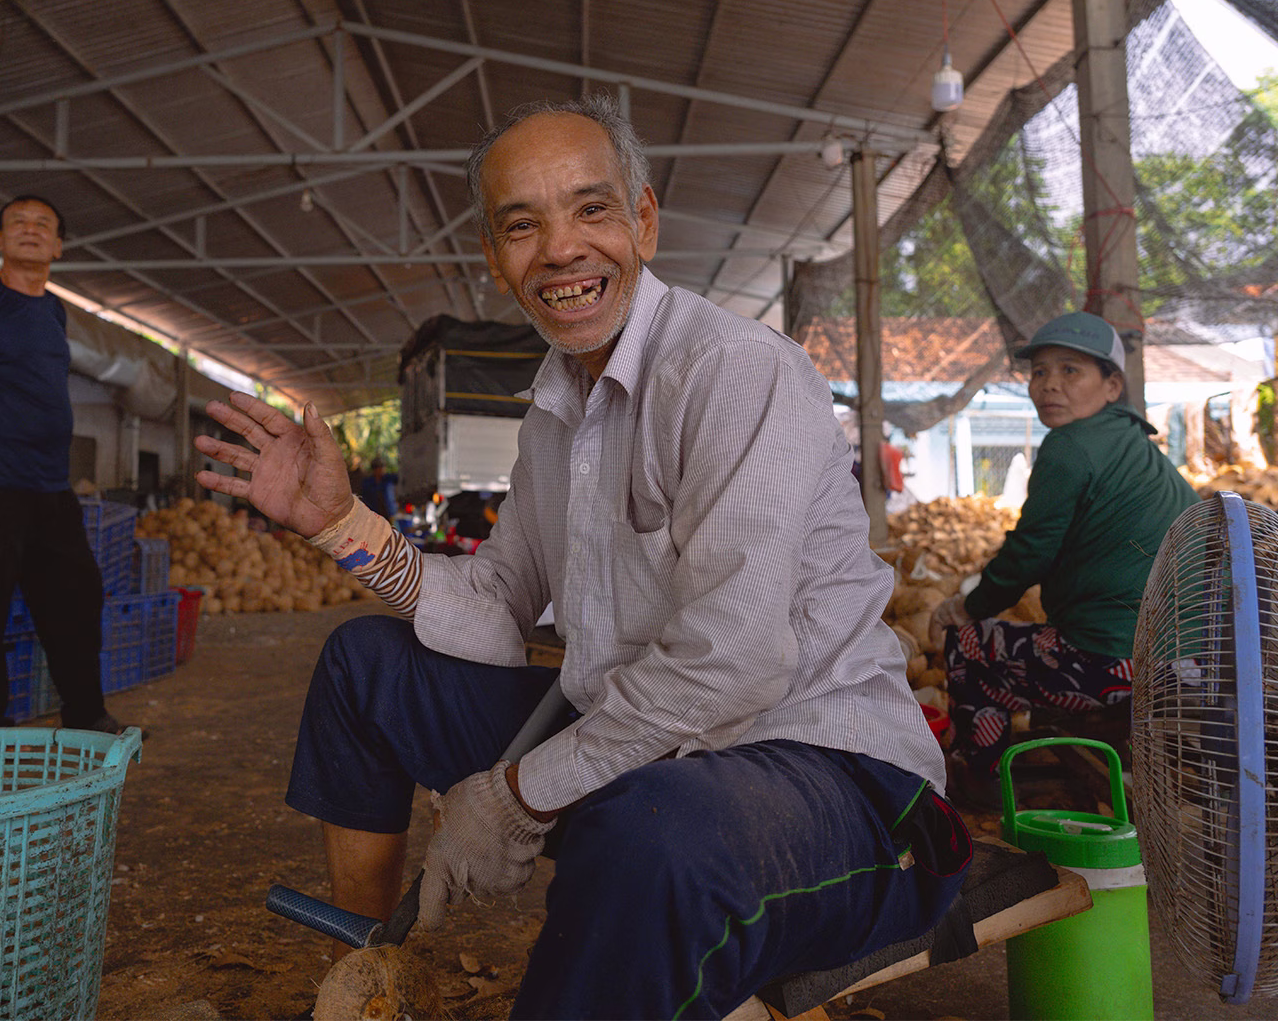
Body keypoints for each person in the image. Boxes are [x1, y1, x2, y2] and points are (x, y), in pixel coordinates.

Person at [196, 97, 967, 1019]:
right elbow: (492, 609)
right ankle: (373, 975)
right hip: (653, 750)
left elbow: (733, 662)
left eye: (590, 210)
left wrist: (517, 796)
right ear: (495, 257)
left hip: (823, 771)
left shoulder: (734, 371)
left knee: (649, 840)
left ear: (642, 221)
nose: (560, 250)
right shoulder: (557, 416)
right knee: (368, 667)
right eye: (523, 225)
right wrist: (338, 524)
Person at [929, 312, 1199, 794]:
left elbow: (1029, 554)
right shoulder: (1130, 442)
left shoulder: (1070, 447)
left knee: (968, 645)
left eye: (1070, 370)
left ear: (1112, 386)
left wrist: (962, 608)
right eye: (1039, 372)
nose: (1049, 385)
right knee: (1024, 642)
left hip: (1113, 664)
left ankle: (983, 781)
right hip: (1186, 663)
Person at [0, 194, 130, 735]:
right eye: (18, 223)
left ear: (58, 245)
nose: (31, 231)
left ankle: (86, 716)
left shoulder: (52, 309)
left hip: (48, 486)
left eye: (44, 225)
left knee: (77, 598)